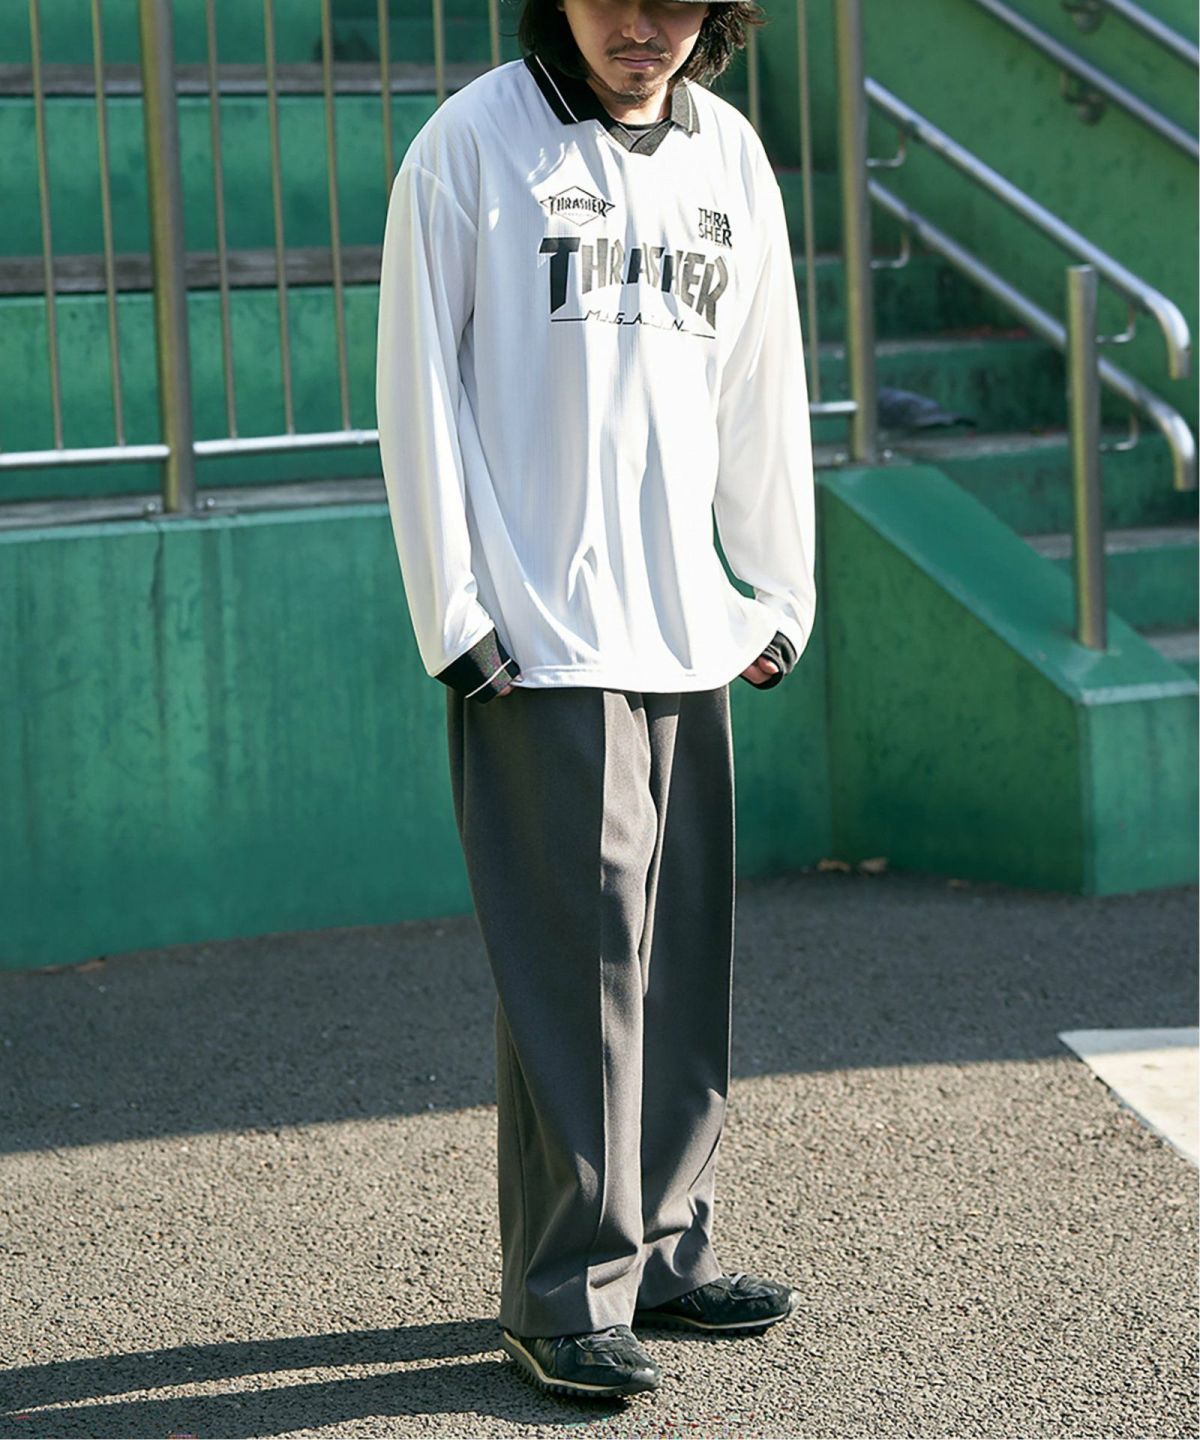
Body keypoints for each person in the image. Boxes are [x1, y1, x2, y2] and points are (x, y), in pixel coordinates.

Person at [376, 0, 815, 1402]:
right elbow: (417, 386)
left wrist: (778, 587)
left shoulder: (727, 155)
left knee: (678, 962)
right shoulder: (473, 145)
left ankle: (664, 1252)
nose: (643, 24)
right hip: (539, 638)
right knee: (578, 975)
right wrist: (454, 611)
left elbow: (761, 380)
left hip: (685, 628)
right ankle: (561, 1292)